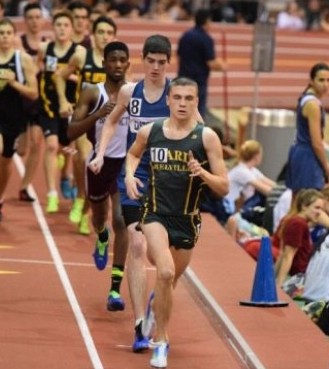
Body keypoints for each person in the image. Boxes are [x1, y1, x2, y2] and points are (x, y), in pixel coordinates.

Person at [124, 76, 229, 368]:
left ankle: (155, 307)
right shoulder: (150, 131)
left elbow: (224, 186)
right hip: (155, 214)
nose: (182, 103)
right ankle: (162, 341)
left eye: (189, 99)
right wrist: (130, 176)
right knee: (166, 272)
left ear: (196, 102)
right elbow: (132, 155)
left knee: (169, 282)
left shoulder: (206, 137)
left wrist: (202, 173)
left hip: (187, 220)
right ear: (168, 99)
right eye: (178, 97)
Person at [89, 34, 172, 352]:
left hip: (168, 180)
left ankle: (161, 290)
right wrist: (99, 152)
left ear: (168, 62)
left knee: (161, 256)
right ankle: (139, 326)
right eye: (150, 61)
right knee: (137, 246)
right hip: (134, 177)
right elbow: (111, 122)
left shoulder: (176, 93)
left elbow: (198, 128)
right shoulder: (130, 91)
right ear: (143, 60)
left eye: (161, 62)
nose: (155, 67)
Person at [68, 41, 130, 311]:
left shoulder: (134, 94)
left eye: (122, 60)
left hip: (125, 165)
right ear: (104, 63)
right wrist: (97, 116)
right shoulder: (92, 93)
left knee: (121, 219)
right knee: (100, 218)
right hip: (98, 163)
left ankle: (115, 290)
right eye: (112, 60)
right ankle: (101, 237)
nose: (117, 65)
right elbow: (70, 132)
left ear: (128, 64)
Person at [56, 15, 117, 234]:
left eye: (109, 33)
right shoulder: (82, 55)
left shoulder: (118, 62)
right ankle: (81, 198)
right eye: (100, 32)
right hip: (85, 118)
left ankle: (86, 212)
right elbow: (60, 76)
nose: (104, 37)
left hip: (108, 124)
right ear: (93, 35)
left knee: (97, 169)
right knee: (83, 157)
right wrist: (64, 100)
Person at [38, 11, 82, 213]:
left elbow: (85, 79)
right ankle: (52, 194)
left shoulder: (78, 51)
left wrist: (66, 77)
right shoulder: (45, 49)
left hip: (72, 108)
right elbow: (38, 70)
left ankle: (65, 174)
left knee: (69, 149)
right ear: (53, 28)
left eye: (66, 25)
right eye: (58, 25)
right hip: (49, 106)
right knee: (51, 146)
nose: (62, 28)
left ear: (72, 29)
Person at [0, 18, 38, 221]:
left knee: (5, 163)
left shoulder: (22, 59)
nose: (4, 36)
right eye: (1, 33)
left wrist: (13, 83)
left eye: (8, 33)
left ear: (13, 35)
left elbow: (34, 93)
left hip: (13, 119)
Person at [16, 2, 47, 202]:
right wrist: (39, 62)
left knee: (37, 144)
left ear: (43, 20)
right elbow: (30, 71)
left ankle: (24, 187)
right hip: (19, 100)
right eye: (31, 18)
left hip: (39, 100)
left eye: (38, 17)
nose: (35, 21)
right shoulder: (18, 43)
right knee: (21, 149)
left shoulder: (47, 43)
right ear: (25, 21)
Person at [286, 63, 329, 197]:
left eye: (328, 80)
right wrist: (326, 167)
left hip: (300, 152)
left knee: (297, 204)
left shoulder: (306, 99)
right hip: (308, 157)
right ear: (311, 81)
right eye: (321, 80)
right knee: (309, 202)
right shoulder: (313, 105)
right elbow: (316, 143)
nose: (325, 85)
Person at [177, 8, 225, 118]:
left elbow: (179, 55)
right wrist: (222, 66)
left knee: (181, 108)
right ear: (207, 21)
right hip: (198, 82)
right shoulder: (206, 39)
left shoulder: (185, 36)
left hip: (182, 79)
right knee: (197, 111)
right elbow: (211, 63)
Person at [275, 189, 324, 287]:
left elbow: (283, 254)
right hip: (298, 277)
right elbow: (288, 256)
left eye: (321, 209)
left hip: (300, 275)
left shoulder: (296, 221)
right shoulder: (298, 224)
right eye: (317, 208)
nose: (320, 213)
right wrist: (279, 284)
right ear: (304, 206)